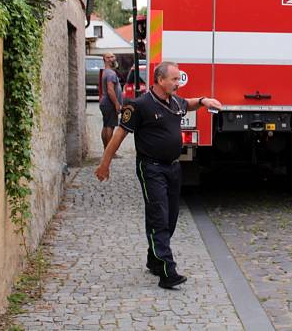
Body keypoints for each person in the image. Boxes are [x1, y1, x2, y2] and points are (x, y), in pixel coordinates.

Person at [95, 61, 223, 289]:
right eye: (174, 79)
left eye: (178, 79)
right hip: (151, 168)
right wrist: (105, 164)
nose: (178, 83)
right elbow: (119, 136)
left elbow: (189, 104)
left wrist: (204, 101)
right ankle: (167, 271)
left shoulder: (174, 101)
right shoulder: (139, 105)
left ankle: (154, 259)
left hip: (173, 167)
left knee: (171, 216)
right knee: (159, 216)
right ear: (160, 80)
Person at [99, 53, 123, 149]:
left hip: (105, 103)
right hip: (110, 103)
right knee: (110, 126)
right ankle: (109, 151)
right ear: (106, 59)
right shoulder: (111, 73)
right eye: (111, 57)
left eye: (113, 56)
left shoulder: (107, 72)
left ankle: (106, 149)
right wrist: (116, 104)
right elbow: (110, 90)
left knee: (106, 125)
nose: (113, 58)